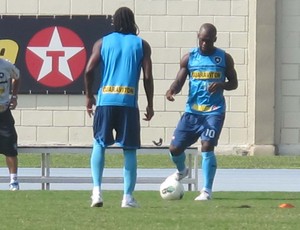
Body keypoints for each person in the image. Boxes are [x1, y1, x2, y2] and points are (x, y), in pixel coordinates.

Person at [84, 7, 154, 208]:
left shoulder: (102, 42)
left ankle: (96, 192)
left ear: (114, 22)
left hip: (106, 101)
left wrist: (89, 96)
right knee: (129, 149)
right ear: (133, 21)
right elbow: (147, 77)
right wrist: (150, 103)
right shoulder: (142, 44)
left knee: (99, 143)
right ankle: (127, 197)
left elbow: (89, 70)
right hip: (128, 103)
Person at [165, 23, 238, 200]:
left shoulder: (223, 58)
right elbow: (179, 81)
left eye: (208, 41)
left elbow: (234, 83)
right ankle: (182, 171)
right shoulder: (189, 58)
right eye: (202, 40)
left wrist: (221, 84)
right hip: (192, 112)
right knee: (174, 148)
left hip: (214, 111)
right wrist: (172, 90)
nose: (204, 44)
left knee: (207, 146)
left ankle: (206, 190)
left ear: (215, 39)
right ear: (198, 37)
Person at [0, 57, 21, 191]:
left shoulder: (6, 65)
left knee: (10, 148)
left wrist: (14, 96)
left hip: (3, 112)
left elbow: (17, 77)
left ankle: (13, 181)